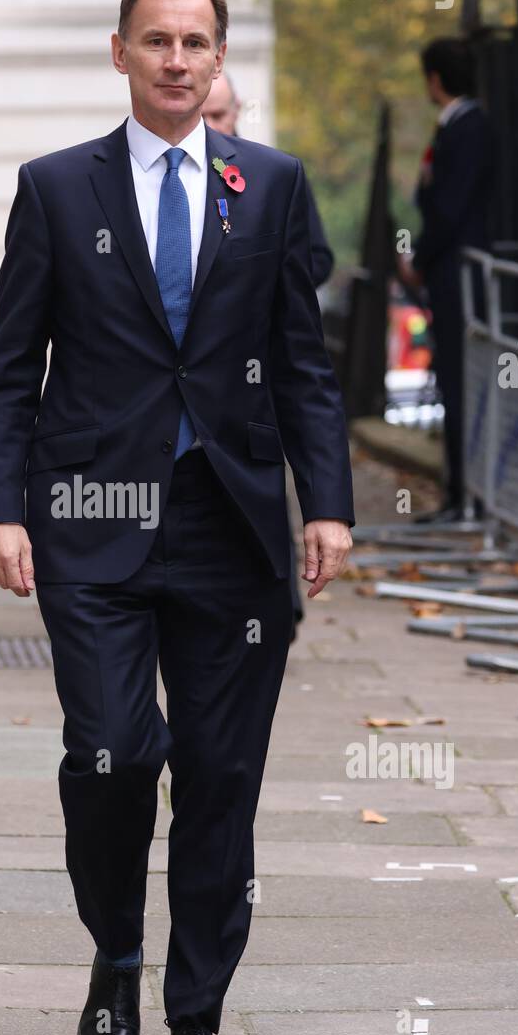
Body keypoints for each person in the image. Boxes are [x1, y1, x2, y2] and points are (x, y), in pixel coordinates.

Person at [0, 0, 353, 1035]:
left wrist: (323, 502)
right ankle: (116, 951)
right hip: (92, 520)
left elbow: (303, 368)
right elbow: (7, 372)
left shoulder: (270, 187)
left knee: (222, 778)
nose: (177, 60)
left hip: (232, 527)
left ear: (218, 58)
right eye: (156, 41)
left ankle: (195, 1018)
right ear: (120, 53)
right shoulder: (56, 189)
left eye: (196, 42)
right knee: (115, 752)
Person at [202, 72, 336, 636]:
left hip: (253, 371)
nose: (213, 126)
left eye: (221, 115)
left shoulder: (272, 177)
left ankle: (280, 589)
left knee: (261, 481)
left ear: (236, 114)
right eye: (206, 117)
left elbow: (315, 262)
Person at [398, 37, 494, 521]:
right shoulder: (457, 127)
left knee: (460, 384)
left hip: (458, 276)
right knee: (453, 383)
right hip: (450, 272)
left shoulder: (467, 129)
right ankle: (458, 492)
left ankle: (464, 495)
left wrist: (419, 255)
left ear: (435, 79)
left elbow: (448, 207)